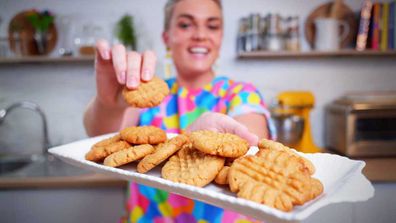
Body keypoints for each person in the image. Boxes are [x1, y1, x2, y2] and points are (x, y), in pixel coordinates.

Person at [84, 0, 275, 222]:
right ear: (167, 37)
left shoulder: (241, 93)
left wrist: (204, 142)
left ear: (221, 37)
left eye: (212, 26)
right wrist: (108, 103)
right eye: (186, 25)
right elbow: (101, 138)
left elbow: (252, 145)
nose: (201, 35)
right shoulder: (145, 91)